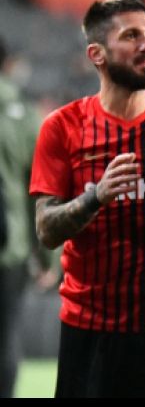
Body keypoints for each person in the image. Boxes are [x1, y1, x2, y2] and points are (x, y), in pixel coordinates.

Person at [29, 0, 145, 398]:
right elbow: (46, 229)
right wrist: (95, 198)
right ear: (97, 54)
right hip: (90, 331)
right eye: (131, 36)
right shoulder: (63, 128)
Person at [0, 36, 45, 398]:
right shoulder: (23, 114)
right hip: (10, 249)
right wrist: (45, 256)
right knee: (5, 336)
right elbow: (40, 187)